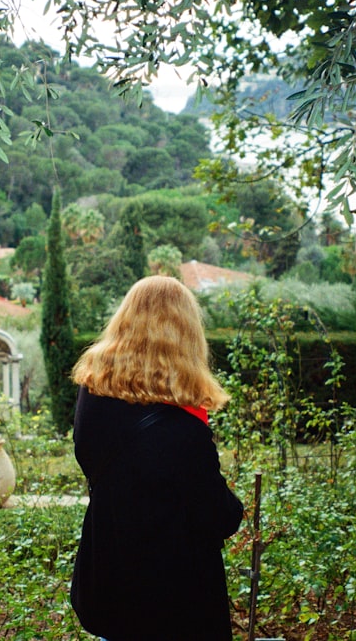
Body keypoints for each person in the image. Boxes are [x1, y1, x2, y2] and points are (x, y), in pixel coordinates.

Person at [69, 275, 244, 641]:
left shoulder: (91, 398)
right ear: (186, 336)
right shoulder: (184, 430)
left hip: (111, 589)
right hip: (172, 608)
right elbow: (220, 516)